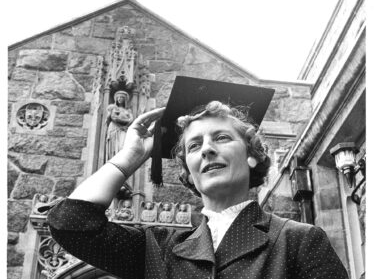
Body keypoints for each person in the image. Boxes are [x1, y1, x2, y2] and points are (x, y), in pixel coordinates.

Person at [46, 77, 348, 279]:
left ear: (251, 154)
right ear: (188, 169)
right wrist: (130, 157)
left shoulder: (296, 240)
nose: (207, 150)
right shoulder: (161, 250)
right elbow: (70, 222)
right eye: (194, 145)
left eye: (221, 138)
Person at [105, 90, 134, 161]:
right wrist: (124, 121)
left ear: (125, 100)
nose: (120, 99)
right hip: (114, 129)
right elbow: (114, 118)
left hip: (124, 129)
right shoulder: (114, 108)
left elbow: (131, 120)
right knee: (114, 148)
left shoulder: (128, 110)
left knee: (122, 147)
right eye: (118, 97)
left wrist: (124, 122)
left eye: (122, 97)